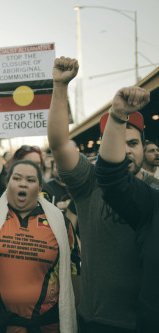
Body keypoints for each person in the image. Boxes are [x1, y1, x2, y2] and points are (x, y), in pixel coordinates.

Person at [47, 57, 159, 332]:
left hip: (144, 320)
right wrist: (60, 86)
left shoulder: (154, 192)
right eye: (118, 143)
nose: (126, 151)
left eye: (133, 143)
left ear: (144, 146)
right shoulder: (88, 180)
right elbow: (59, 143)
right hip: (96, 318)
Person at [0, 115, 79, 333]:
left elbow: (74, 273)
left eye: (30, 180)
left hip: (47, 325)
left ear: (40, 187)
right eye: (17, 178)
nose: (23, 183)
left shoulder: (58, 220)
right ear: (8, 183)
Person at [94, 86, 158, 332]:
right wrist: (118, 115)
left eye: (132, 143)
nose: (126, 150)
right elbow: (111, 176)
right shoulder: (152, 203)